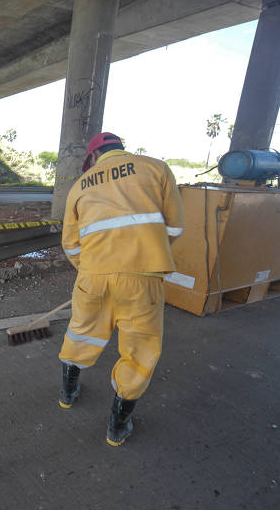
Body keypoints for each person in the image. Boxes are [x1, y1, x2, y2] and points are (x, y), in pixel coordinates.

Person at [58, 132, 184, 446]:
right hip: (142, 278)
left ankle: (68, 393)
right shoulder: (156, 169)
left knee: (81, 333)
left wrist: (91, 271)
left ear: (92, 158)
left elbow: (71, 246)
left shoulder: (80, 185)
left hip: (92, 278)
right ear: (120, 150)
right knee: (139, 350)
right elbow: (175, 228)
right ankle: (116, 427)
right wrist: (145, 254)